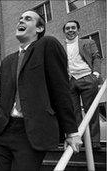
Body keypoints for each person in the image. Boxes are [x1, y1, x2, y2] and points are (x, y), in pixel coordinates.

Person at [0, 10, 82, 171]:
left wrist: (71, 131)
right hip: (4, 131)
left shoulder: (47, 45)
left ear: (39, 28)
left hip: (31, 132)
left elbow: (60, 89)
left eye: (28, 19)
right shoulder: (7, 61)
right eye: (20, 18)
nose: (21, 21)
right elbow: (3, 97)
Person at [63, 20, 102, 149]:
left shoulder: (88, 42)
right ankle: (78, 140)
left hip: (87, 77)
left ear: (78, 30)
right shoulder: (61, 46)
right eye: (67, 28)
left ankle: (94, 142)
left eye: (73, 28)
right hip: (70, 81)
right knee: (73, 112)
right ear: (64, 31)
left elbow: (96, 57)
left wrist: (95, 74)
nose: (70, 30)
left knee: (91, 110)